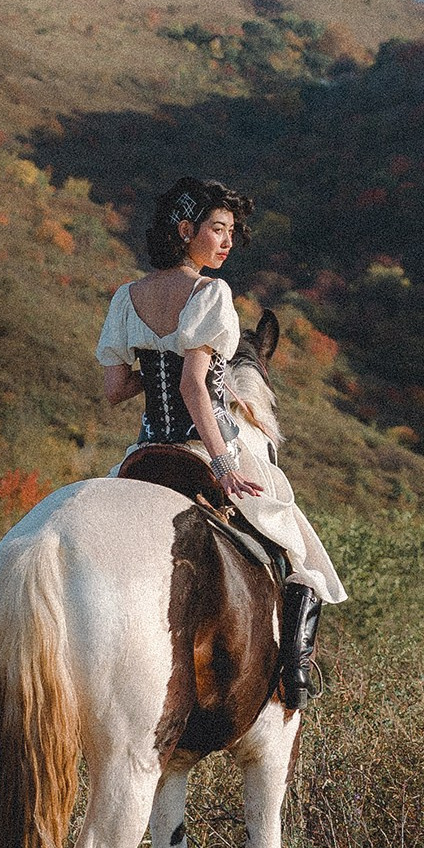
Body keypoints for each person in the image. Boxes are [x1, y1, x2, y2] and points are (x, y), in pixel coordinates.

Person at [97, 175, 346, 706]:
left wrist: (152, 360)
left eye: (232, 231)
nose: (228, 242)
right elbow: (194, 386)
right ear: (185, 230)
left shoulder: (126, 297)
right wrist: (223, 461)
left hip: (144, 449)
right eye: (218, 229)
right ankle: (295, 676)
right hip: (204, 441)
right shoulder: (210, 293)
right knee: (298, 550)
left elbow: (115, 390)